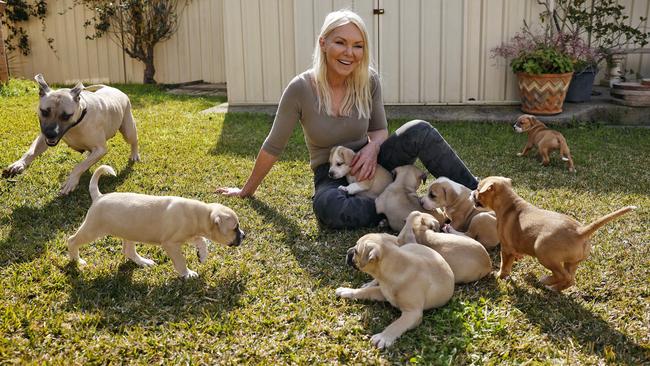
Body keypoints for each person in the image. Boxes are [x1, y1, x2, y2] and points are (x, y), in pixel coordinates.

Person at [216, 9, 477, 229]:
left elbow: (379, 130)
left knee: (420, 130)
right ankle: (399, 206)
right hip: (331, 173)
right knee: (329, 207)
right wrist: (246, 190)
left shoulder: (369, 80)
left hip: (371, 164)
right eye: (340, 42)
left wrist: (373, 149)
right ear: (323, 43)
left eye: (358, 46)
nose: (349, 53)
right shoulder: (300, 89)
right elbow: (273, 147)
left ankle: (479, 200)